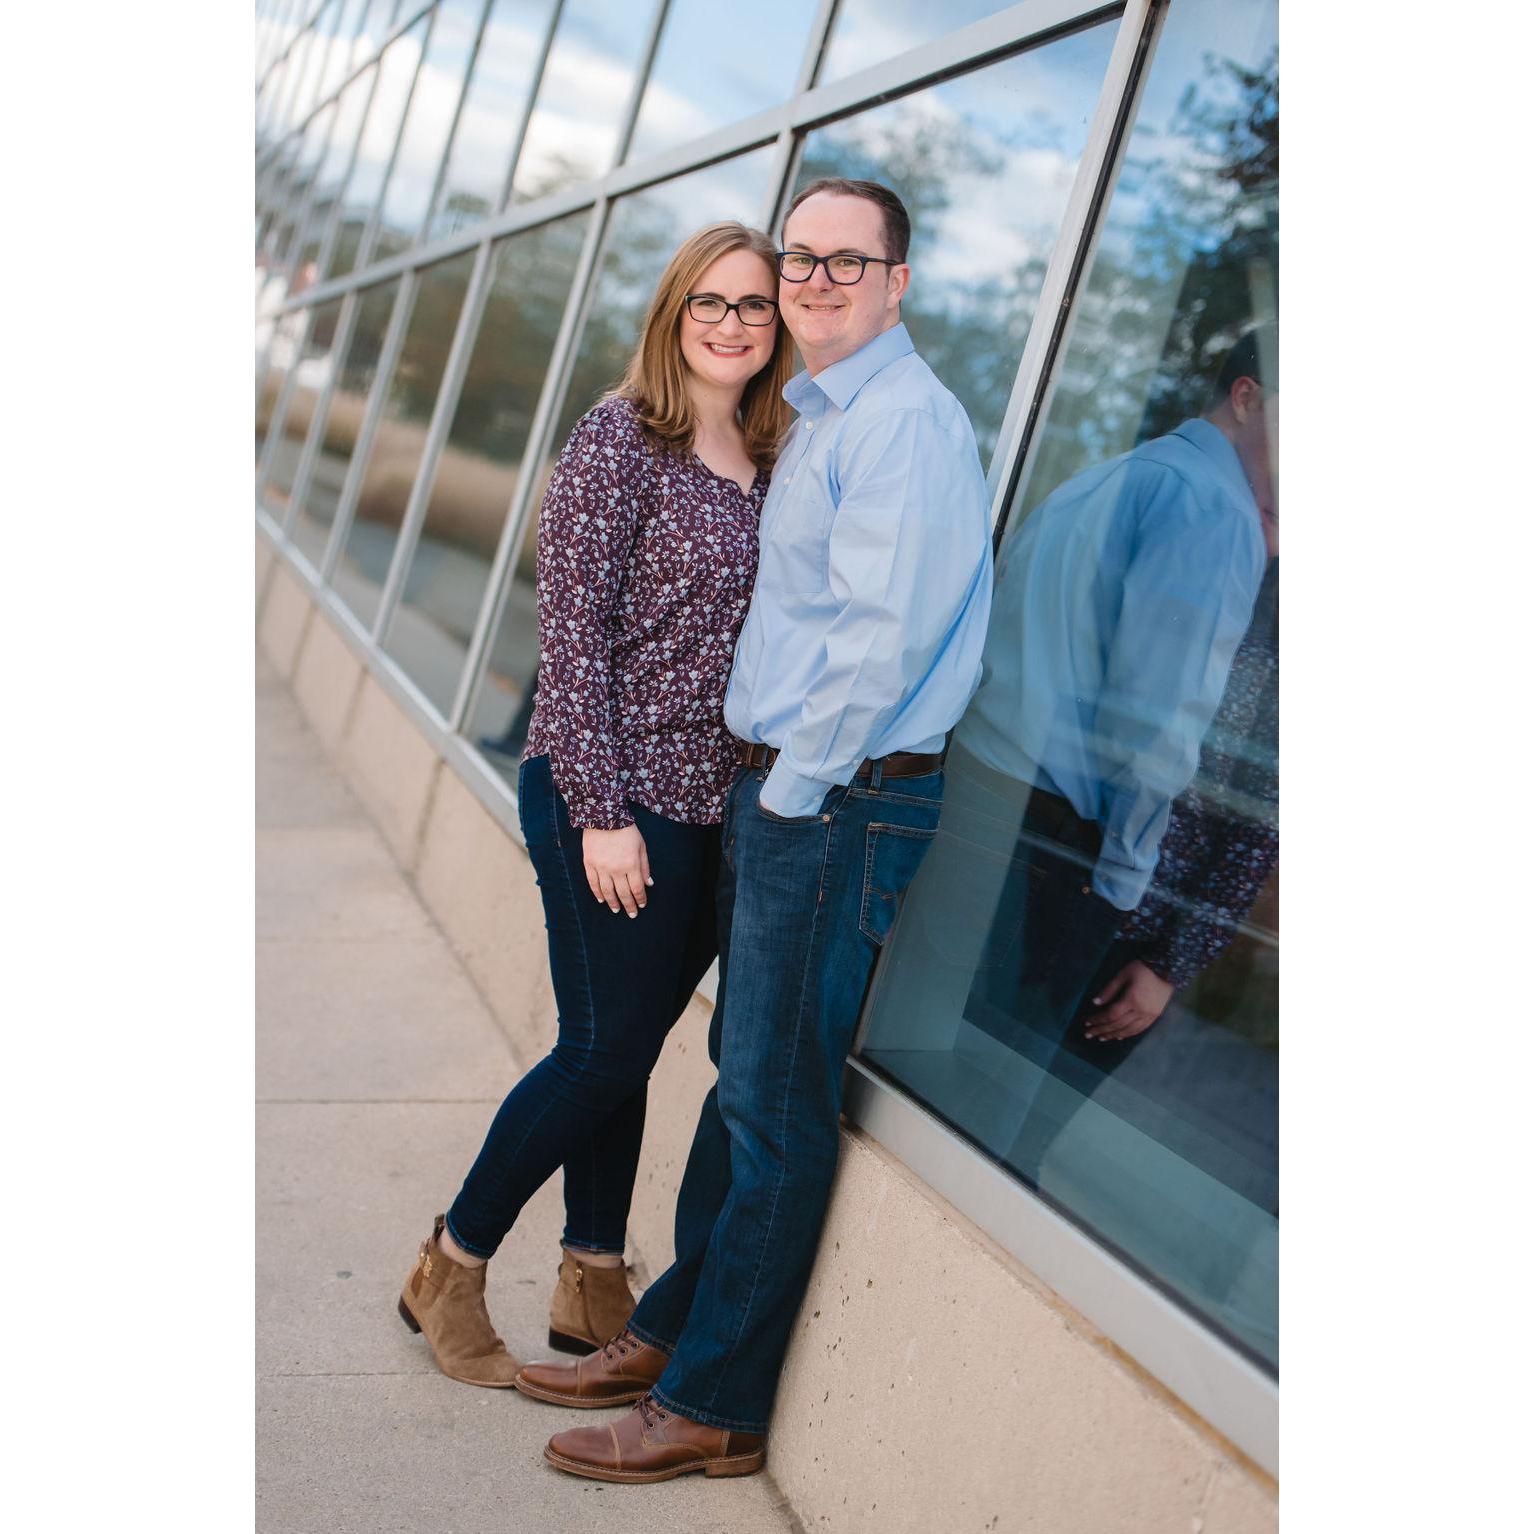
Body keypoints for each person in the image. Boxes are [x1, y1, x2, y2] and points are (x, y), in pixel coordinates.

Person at [515, 177, 994, 1482]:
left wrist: (785, 798)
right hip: (788, 787)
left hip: (832, 795)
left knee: (776, 1104)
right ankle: (671, 1331)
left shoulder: (901, 425)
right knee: (747, 1073)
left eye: (852, 261)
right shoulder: (821, 416)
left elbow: (873, 646)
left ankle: (712, 1401)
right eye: (803, 258)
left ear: (899, 282)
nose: (818, 280)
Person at [397, 222, 795, 1386]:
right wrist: (603, 813)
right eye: (708, 303)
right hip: (602, 794)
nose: (729, 324)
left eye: (754, 307)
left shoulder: (773, 455)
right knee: (603, 1048)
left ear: (778, 330)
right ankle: (451, 1261)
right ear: (674, 313)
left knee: (623, 1051)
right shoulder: (625, 435)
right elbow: (566, 639)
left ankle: (591, 1275)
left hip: (714, 814)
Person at [860, 326, 1278, 1166]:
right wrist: (1125, 881)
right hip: (1043, 843)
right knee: (979, 1127)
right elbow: (1158, 724)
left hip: (981, 790)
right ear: (1248, 399)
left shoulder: (1121, 476)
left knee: (906, 1078)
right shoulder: (1213, 512)